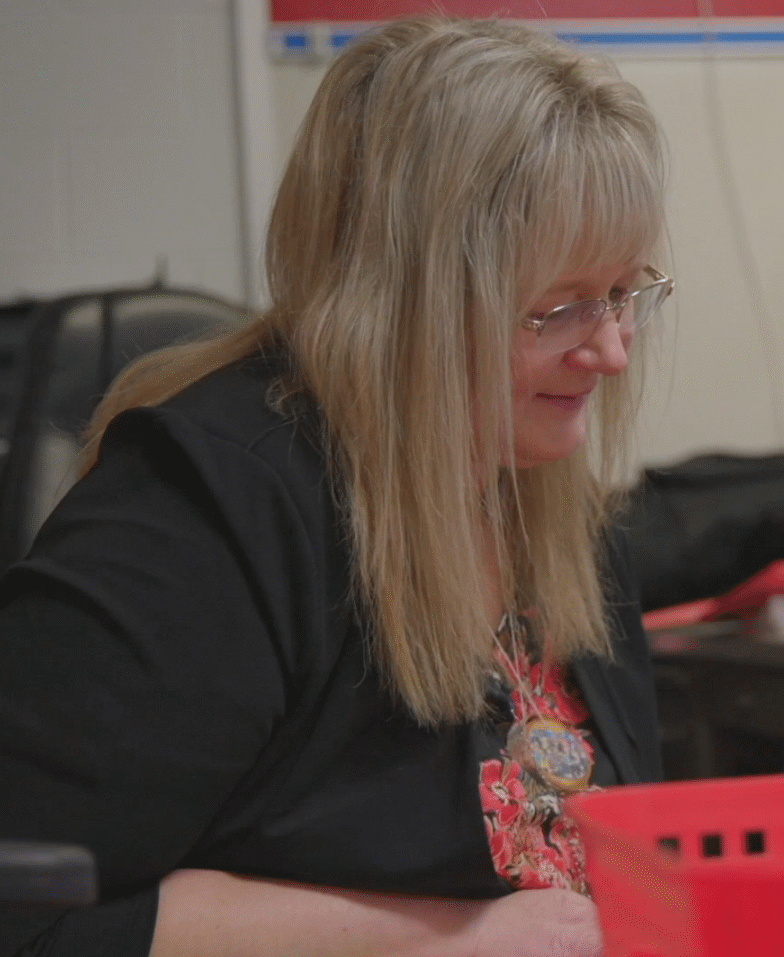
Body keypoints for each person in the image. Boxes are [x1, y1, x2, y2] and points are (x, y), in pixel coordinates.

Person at [0, 15, 674, 957]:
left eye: (626, 292)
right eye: (555, 308)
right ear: (405, 300)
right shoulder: (209, 512)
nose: (608, 348)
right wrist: (443, 939)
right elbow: (26, 912)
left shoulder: (546, 501)